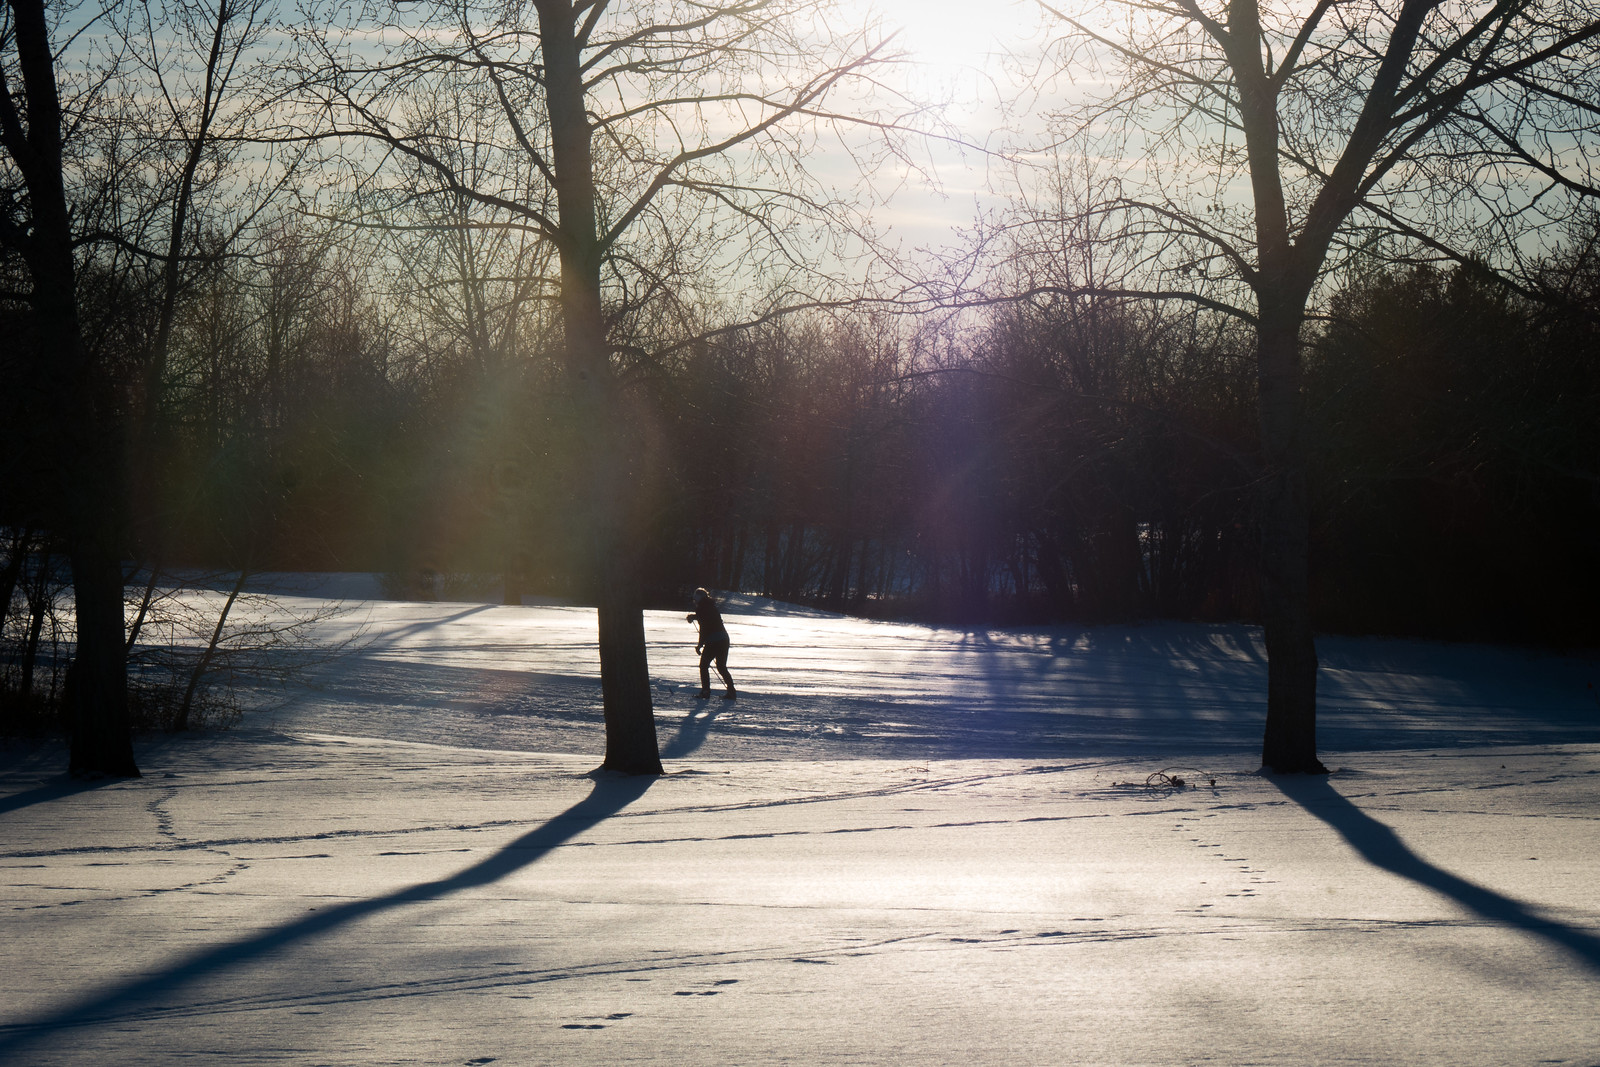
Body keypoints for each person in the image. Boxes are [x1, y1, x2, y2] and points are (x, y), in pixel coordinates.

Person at [687, 587, 736, 699]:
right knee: (721, 667)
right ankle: (731, 691)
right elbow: (708, 619)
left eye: (695, 598)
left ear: (698, 598)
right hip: (724, 639)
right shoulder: (711, 606)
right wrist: (694, 617)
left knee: (703, 666)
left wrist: (699, 645)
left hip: (713, 641)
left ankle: (705, 691)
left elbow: (704, 628)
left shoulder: (701, 609)